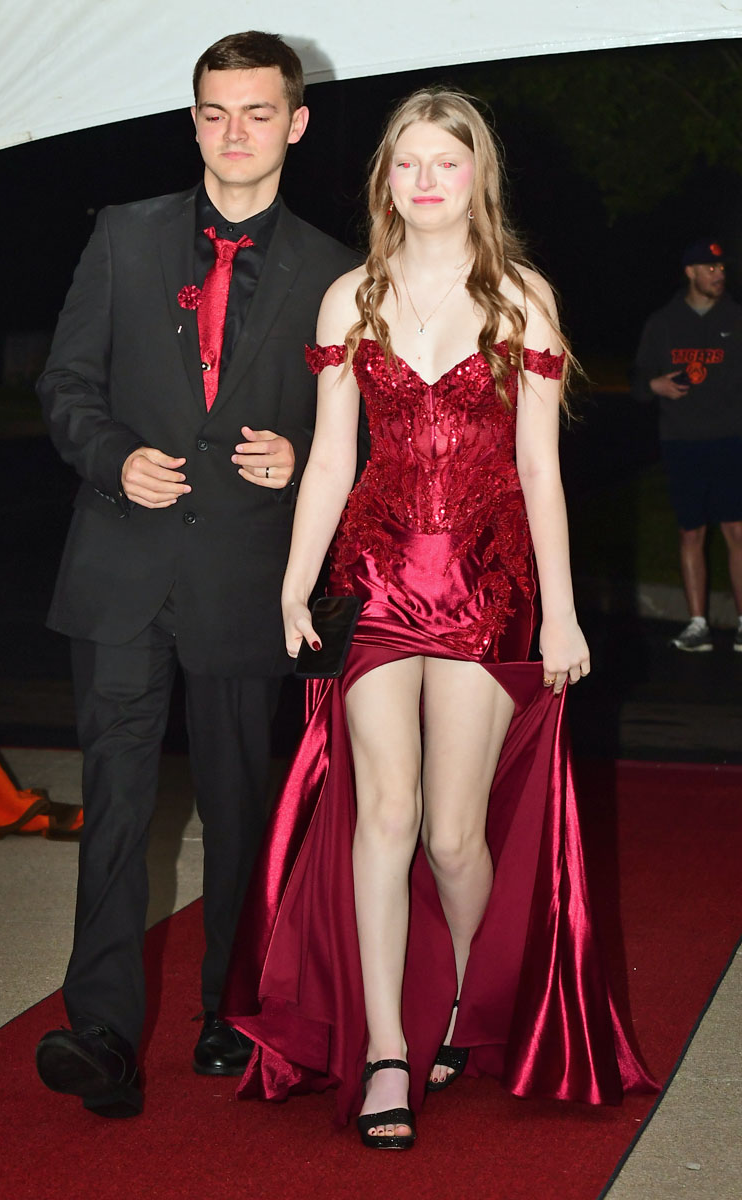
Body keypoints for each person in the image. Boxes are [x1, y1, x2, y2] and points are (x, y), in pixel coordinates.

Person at [222, 89, 656, 1148]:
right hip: (370, 582)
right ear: (385, 181)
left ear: (476, 178)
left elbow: (537, 469)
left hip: (482, 585)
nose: (424, 180)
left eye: (443, 163)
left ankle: (469, 1002)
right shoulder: (349, 300)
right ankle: (385, 1049)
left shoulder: (520, 300)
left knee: (456, 835)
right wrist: (294, 580)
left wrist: (560, 614)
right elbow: (331, 454)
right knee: (383, 813)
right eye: (406, 163)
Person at [34, 31, 357, 1118]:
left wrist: (304, 456)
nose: (234, 133)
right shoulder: (123, 238)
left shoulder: (332, 269)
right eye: (214, 112)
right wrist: (112, 456)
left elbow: (359, 430)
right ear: (192, 120)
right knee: (118, 805)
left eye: (257, 113)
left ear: (295, 122)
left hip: (247, 578)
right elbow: (65, 383)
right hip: (120, 571)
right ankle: (103, 1033)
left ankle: (228, 1007)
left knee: (237, 802)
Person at [633, 239, 742, 652]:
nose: (719, 274)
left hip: (731, 440)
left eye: (722, 268)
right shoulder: (663, 322)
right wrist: (654, 384)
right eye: (710, 268)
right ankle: (697, 625)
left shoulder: (736, 318)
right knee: (691, 532)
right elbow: (639, 380)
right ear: (690, 272)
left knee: (736, 529)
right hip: (682, 442)